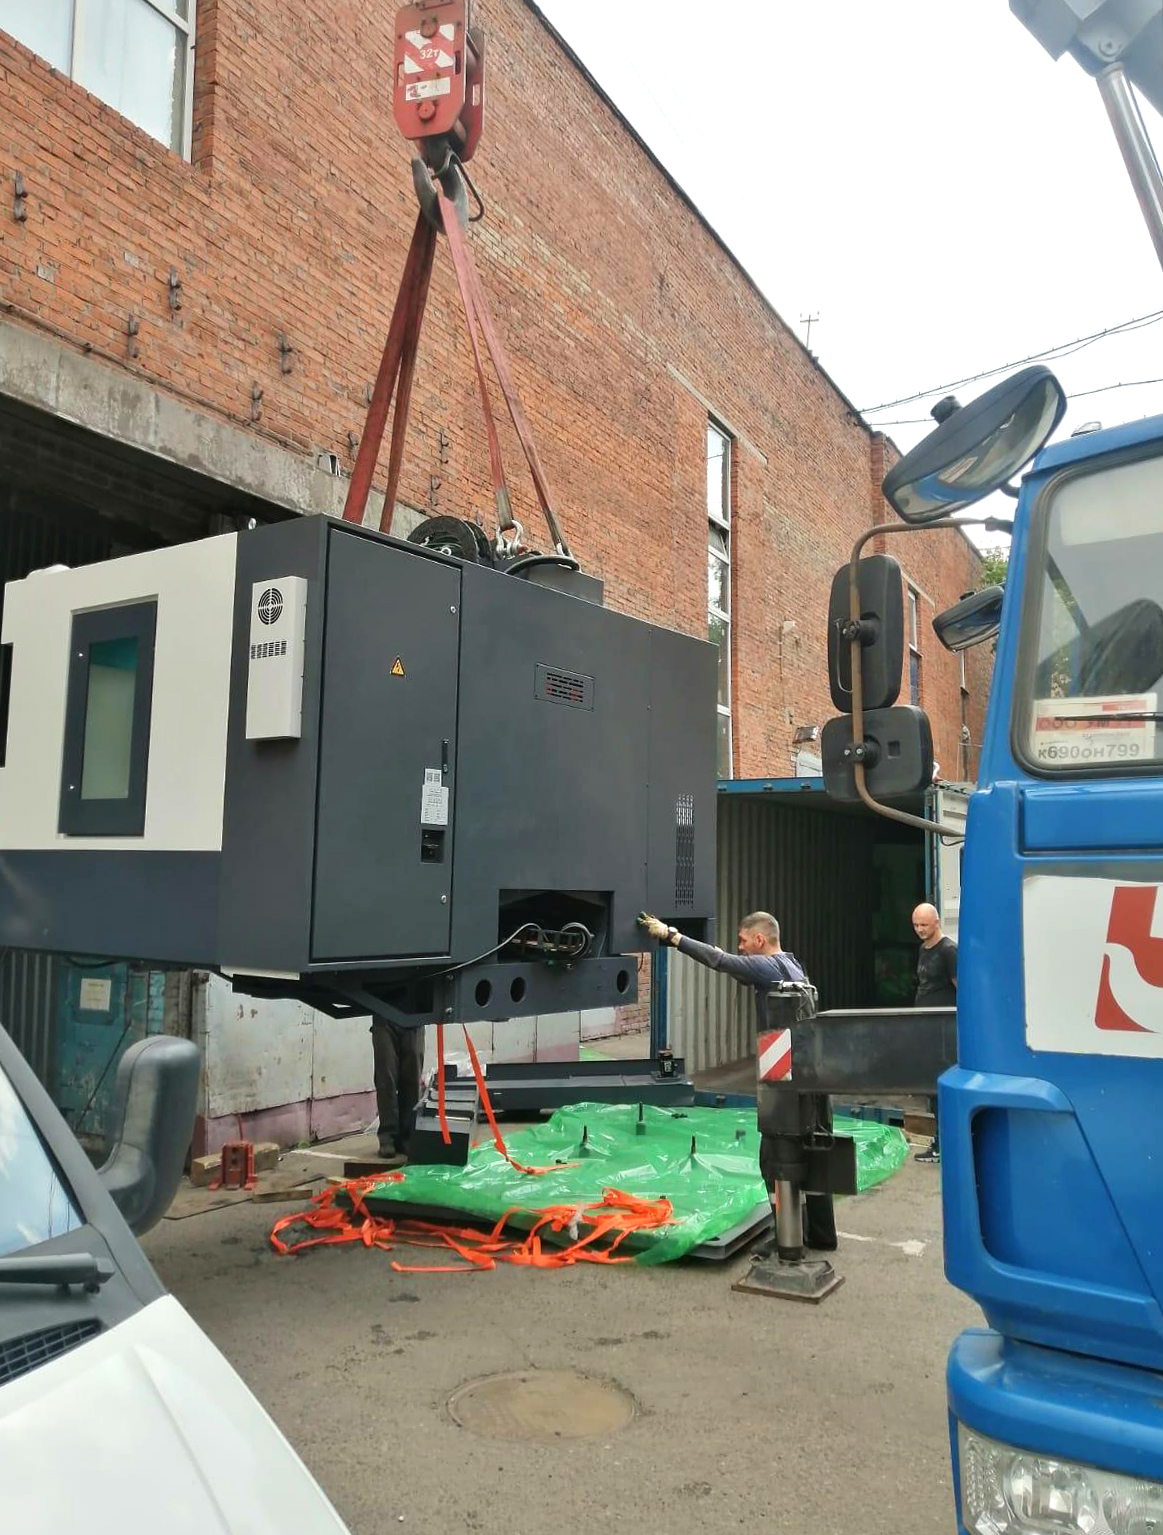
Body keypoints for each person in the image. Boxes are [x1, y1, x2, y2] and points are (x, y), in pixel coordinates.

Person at [638, 910, 836, 1252]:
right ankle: (821, 1235)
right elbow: (739, 970)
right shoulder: (791, 966)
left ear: (760, 939)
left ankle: (787, 1241)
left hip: (784, 1083)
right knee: (814, 1155)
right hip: (812, 1078)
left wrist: (672, 936)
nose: (741, 947)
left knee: (776, 1159)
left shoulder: (767, 967)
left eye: (744, 941)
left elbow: (720, 961)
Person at [911, 901, 957, 1165]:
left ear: (937, 922)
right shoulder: (923, 950)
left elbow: (962, 989)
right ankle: (940, 1143)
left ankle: (944, 1144)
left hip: (943, 1032)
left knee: (941, 1087)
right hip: (926, 1029)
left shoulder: (949, 951)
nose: (920, 929)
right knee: (931, 1088)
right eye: (916, 925)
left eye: (924, 925)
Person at [370, 1018, 423, 1165]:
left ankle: (408, 1136)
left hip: (415, 1016)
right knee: (386, 1079)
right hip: (384, 1017)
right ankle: (388, 1137)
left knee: (412, 1078)